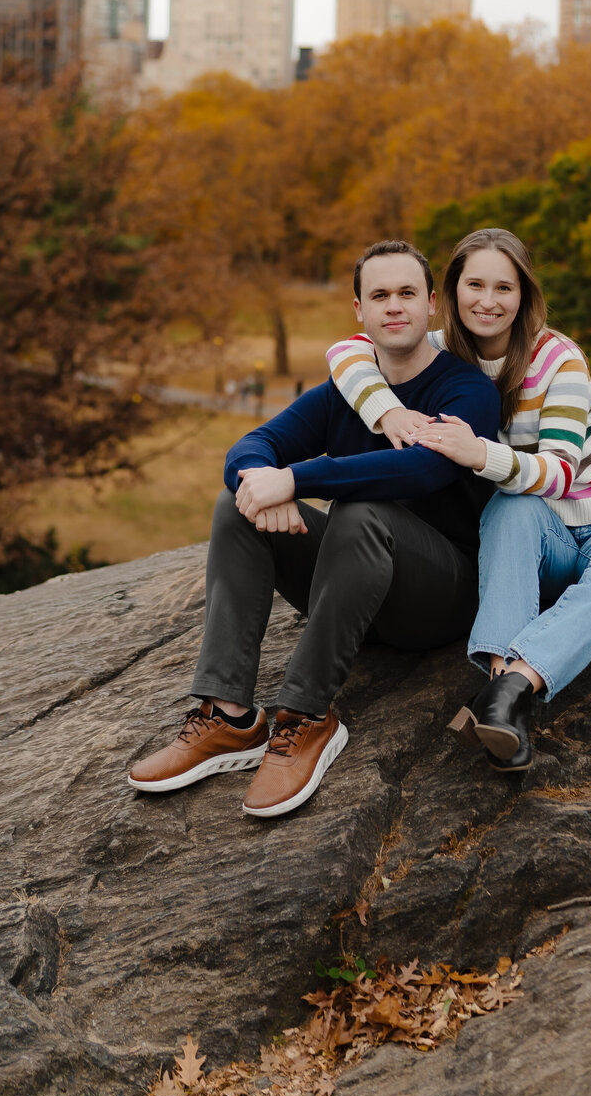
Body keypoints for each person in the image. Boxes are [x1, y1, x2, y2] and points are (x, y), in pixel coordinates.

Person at [128, 240, 500, 819]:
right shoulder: (343, 392)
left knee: (360, 508)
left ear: (432, 305)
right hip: (353, 588)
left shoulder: (466, 389)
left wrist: (297, 480)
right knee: (237, 504)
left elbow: (426, 467)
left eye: (407, 294)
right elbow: (252, 448)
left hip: (438, 597)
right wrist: (261, 481)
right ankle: (228, 717)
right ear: (359, 310)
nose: (393, 307)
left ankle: (305, 718)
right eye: (379, 295)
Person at [326, 228, 591, 771]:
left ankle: (507, 692)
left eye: (504, 288)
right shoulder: (437, 349)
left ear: (524, 295)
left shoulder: (559, 359)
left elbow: (558, 474)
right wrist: (387, 413)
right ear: (452, 292)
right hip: (529, 527)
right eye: (475, 285)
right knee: (509, 510)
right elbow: (346, 350)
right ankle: (499, 695)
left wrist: (476, 452)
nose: (488, 301)